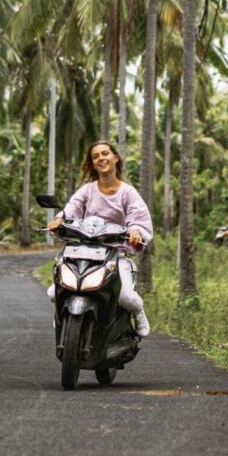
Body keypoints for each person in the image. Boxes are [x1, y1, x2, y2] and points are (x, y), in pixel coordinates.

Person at [47, 140, 153, 337]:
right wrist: (59, 219)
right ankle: (63, 316)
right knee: (54, 292)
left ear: (115, 157)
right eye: (95, 156)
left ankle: (139, 312)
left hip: (114, 254)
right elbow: (72, 208)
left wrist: (136, 230)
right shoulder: (87, 190)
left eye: (105, 153)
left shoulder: (128, 193)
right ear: (93, 163)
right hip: (83, 252)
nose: (101, 158)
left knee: (127, 297)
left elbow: (138, 217)